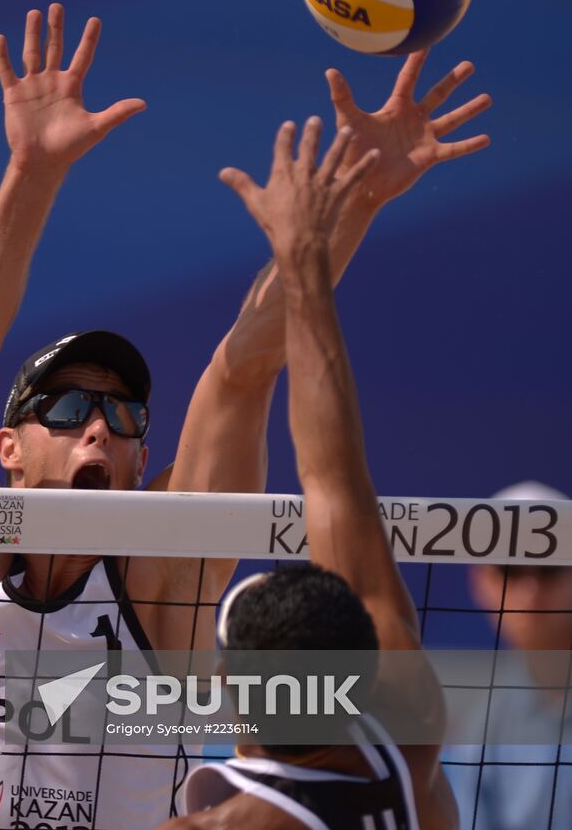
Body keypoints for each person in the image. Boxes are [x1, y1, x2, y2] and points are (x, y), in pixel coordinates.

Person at [0, 3, 491, 830]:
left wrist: (357, 198)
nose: (98, 428)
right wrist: (32, 170)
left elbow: (242, 372)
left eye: (124, 417)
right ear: (8, 449)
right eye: (66, 408)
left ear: (139, 465)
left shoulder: (161, 585)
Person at [158, 118, 463, 829]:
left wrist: (299, 252)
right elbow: (335, 481)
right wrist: (304, 256)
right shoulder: (407, 749)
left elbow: (336, 483)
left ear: (229, 688)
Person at [445, 481, 572, 830]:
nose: (530, 589)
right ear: (480, 582)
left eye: (549, 566)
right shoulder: (482, 731)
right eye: (511, 569)